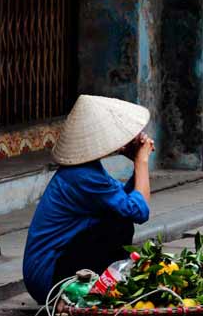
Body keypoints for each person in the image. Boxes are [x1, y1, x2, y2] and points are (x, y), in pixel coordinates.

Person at [22, 95, 155, 305]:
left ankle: (98, 287)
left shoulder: (88, 171)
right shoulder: (83, 176)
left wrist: (136, 163)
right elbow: (139, 212)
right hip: (48, 276)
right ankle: (79, 293)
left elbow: (124, 199)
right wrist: (142, 161)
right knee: (119, 226)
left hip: (52, 266)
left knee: (118, 218)